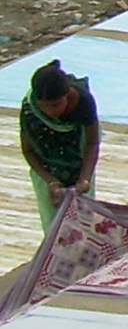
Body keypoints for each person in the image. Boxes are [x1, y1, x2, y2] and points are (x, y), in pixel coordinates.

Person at [19, 60, 99, 234]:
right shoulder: (30, 110)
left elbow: (92, 143)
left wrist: (84, 179)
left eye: (55, 105)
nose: (50, 112)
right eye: (44, 106)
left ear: (68, 95)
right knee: (55, 228)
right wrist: (51, 181)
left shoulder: (83, 102)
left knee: (85, 222)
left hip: (78, 162)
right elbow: (28, 150)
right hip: (45, 167)